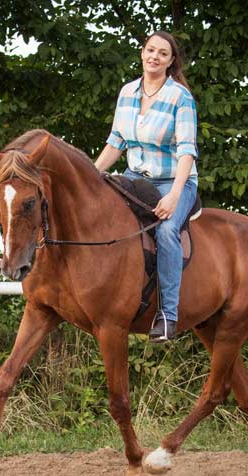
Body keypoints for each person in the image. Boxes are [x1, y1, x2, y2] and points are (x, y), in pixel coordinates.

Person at [94, 31, 198, 342]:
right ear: (142, 53)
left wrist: (175, 195)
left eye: (162, 53)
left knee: (165, 231)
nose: (154, 56)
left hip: (174, 181)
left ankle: (167, 315)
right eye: (150, 50)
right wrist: (91, 174)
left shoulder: (180, 97)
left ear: (171, 61)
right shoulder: (127, 92)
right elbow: (116, 142)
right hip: (134, 178)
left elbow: (187, 150)